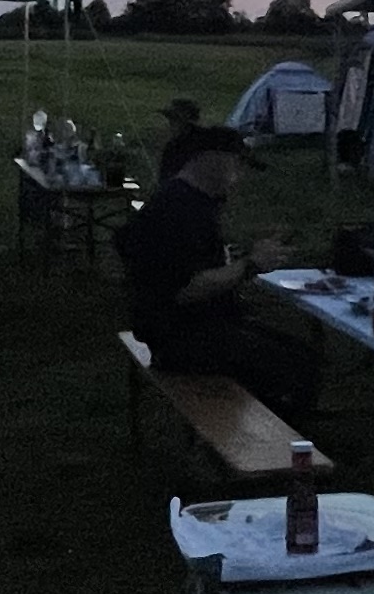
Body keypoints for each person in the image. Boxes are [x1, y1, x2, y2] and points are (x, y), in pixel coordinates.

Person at [115, 124, 321, 427]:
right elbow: (186, 289)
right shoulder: (177, 209)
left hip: (195, 329)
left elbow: (198, 264)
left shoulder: (191, 202)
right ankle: (283, 453)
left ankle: (289, 440)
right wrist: (250, 265)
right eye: (237, 165)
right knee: (293, 368)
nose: (239, 177)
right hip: (179, 339)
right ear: (212, 159)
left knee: (301, 354)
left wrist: (244, 258)